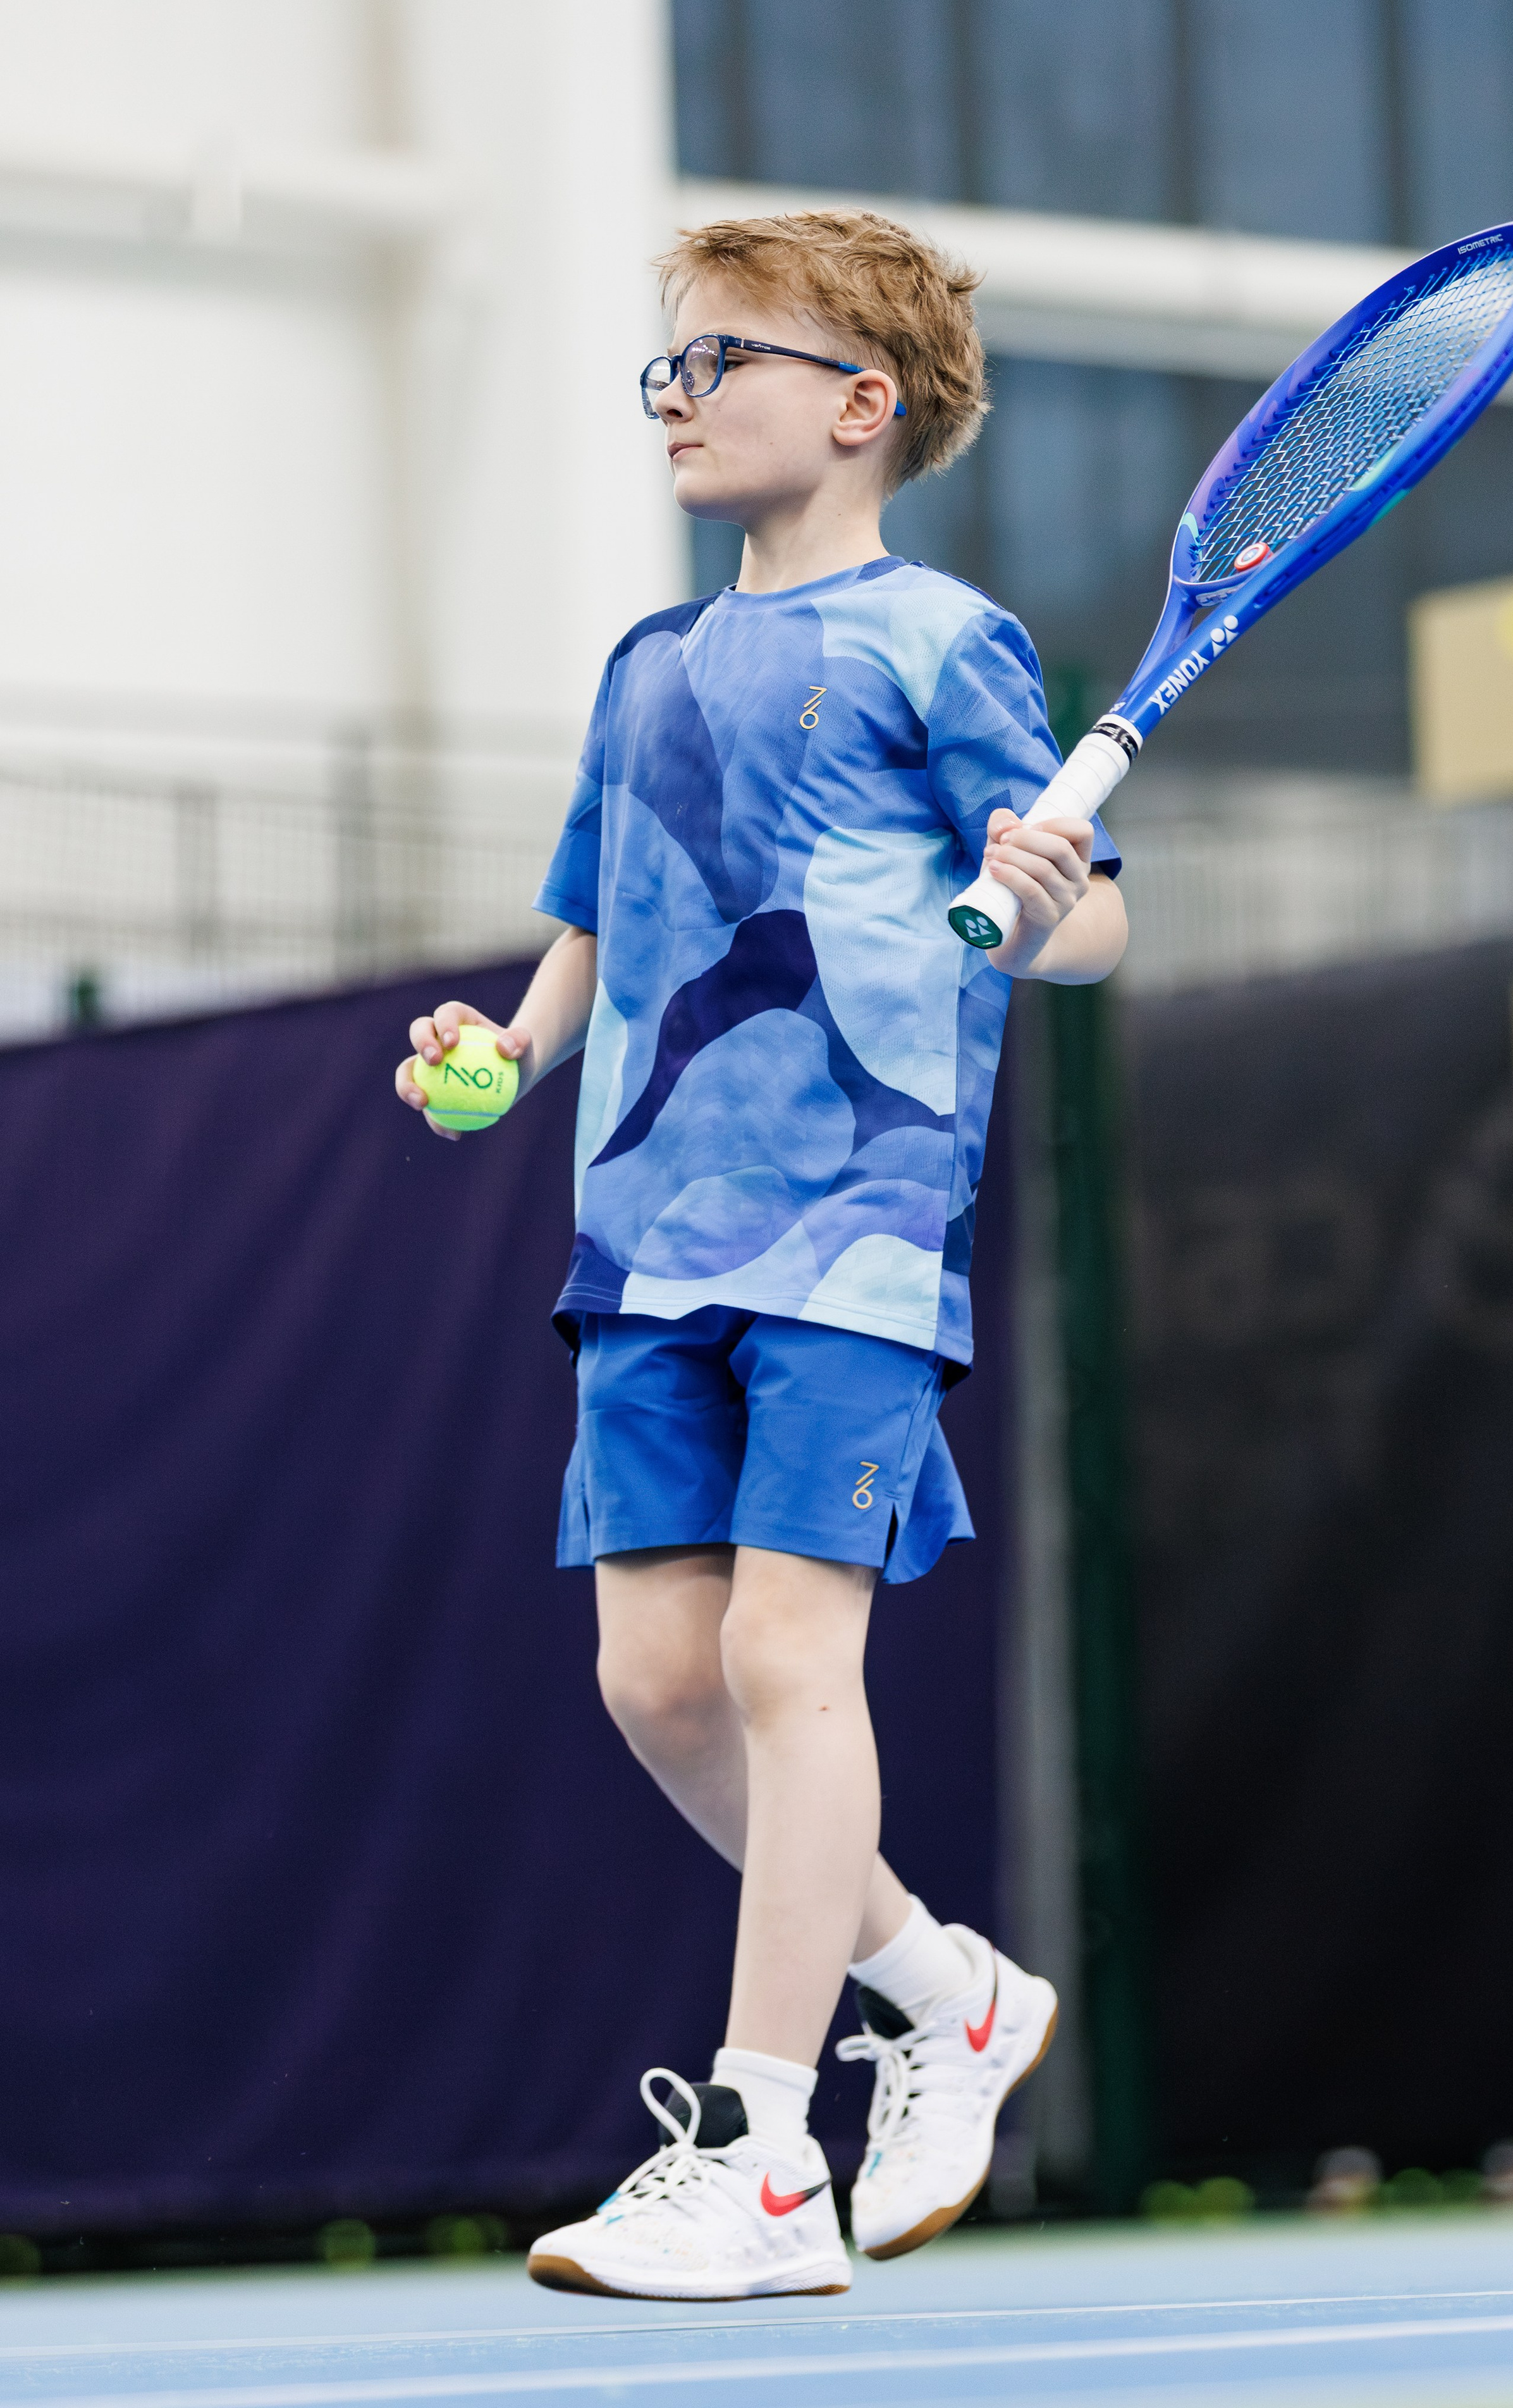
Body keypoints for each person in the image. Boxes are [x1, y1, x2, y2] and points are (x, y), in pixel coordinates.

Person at [396, 208, 1128, 2302]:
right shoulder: (646, 666)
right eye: (669, 363)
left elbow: (1095, 929)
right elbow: (603, 910)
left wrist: (1048, 887)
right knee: (657, 1683)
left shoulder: (944, 644)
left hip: (857, 1228)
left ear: (861, 405)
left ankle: (762, 2148)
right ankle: (950, 1995)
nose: (675, 396)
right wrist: (506, 1055)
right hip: (641, 1233)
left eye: (718, 358)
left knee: (787, 1666)